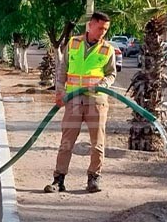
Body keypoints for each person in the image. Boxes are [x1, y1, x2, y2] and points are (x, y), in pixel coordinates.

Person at [44, 11, 116, 194]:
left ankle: (94, 179)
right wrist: (59, 91)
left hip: (96, 102)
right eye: (100, 28)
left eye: (105, 29)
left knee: (97, 143)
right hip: (73, 101)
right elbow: (63, 69)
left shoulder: (107, 49)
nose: (102, 32)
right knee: (66, 141)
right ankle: (58, 180)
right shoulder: (74, 43)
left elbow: (111, 73)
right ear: (90, 25)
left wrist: (103, 84)